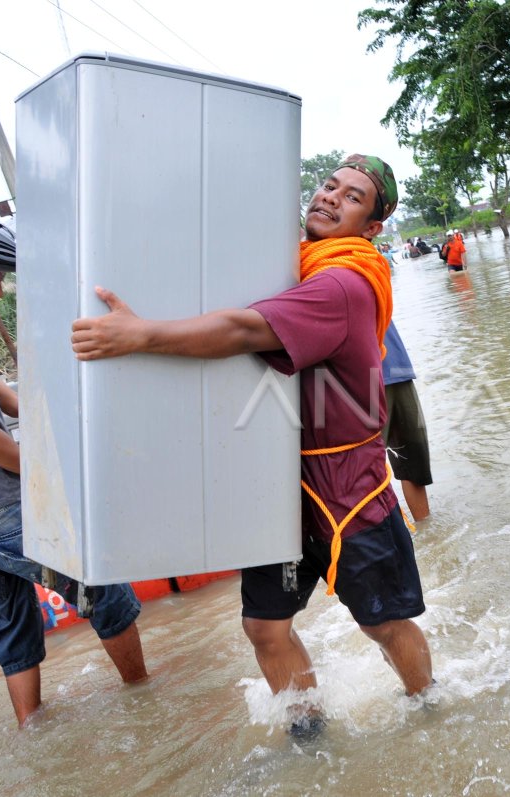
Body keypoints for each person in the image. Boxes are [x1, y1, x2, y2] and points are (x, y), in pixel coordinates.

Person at [70, 154, 433, 736]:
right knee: (266, 628)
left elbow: (243, 330)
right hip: (278, 484)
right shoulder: (297, 269)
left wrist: (141, 335)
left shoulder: (341, 283)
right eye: (329, 185)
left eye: (353, 197)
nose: (332, 198)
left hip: (349, 489)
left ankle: (429, 707)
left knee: (382, 624)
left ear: (372, 226)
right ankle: (308, 734)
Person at [0, 225, 148, 727]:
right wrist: (50, 473)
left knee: (11, 623)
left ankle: (30, 729)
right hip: (5, 509)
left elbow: (7, 398)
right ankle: (145, 696)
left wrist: (60, 409)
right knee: (101, 587)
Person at [381, 322, 432, 521]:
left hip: (396, 367)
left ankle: (427, 533)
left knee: (413, 460)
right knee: (364, 472)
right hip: (355, 376)